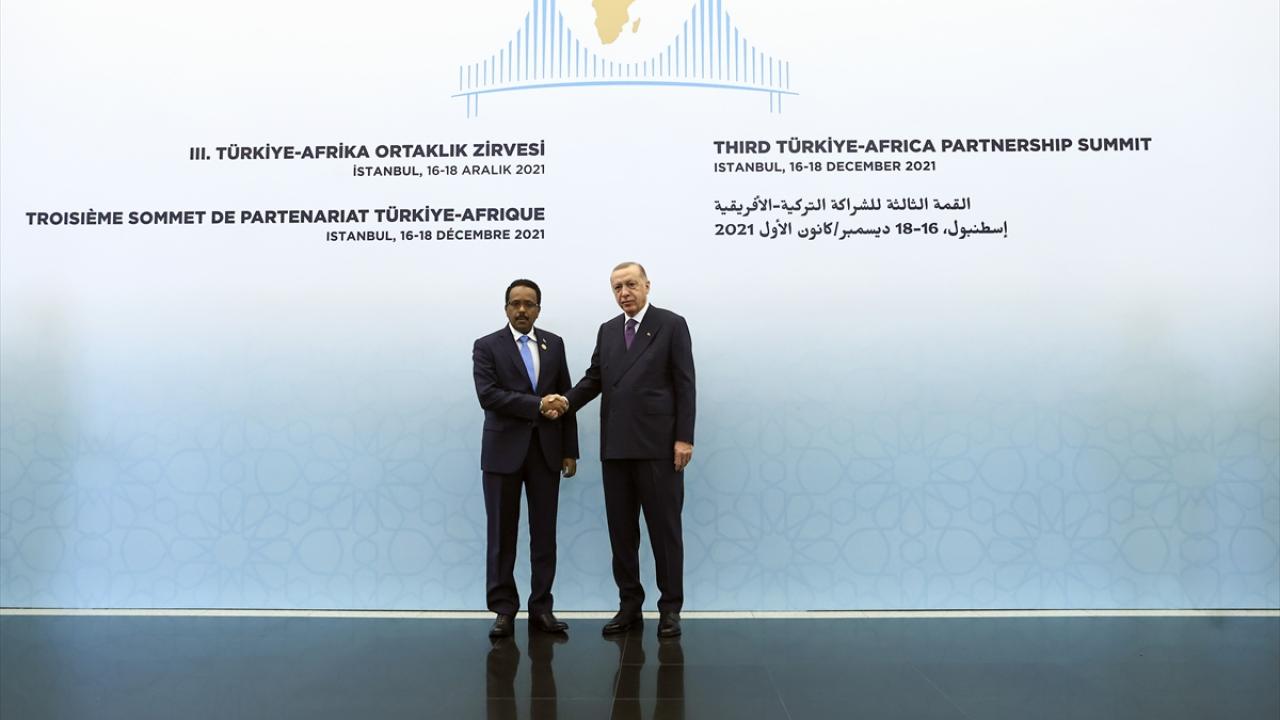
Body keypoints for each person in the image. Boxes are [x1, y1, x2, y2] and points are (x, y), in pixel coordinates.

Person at [544, 262, 695, 638]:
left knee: (664, 532)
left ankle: (670, 608)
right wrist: (566, 401)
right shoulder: (608, 330)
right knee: (622, 534)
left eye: (630, 284)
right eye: (617, 287)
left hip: (659, 448)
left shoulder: (671, 324)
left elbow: (685, 384)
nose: (624, 293)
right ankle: (630, 606)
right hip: (616, 448)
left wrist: (684, 438)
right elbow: (594, 379)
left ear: (647, 285)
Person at [473, 279, 578, 638]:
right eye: (515, 303)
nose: (521, 309)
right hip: (502, 454)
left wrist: (569, 450)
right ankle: (503, 609)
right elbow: (489, 395)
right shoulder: (487, 346)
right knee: (501, 535)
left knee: (544, 535)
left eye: (529, 304)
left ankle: (541, 608)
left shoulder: (554, 344)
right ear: (506, 308)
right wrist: (537, 405)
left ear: (538, 309)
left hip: (546, 453)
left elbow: (566, 397)